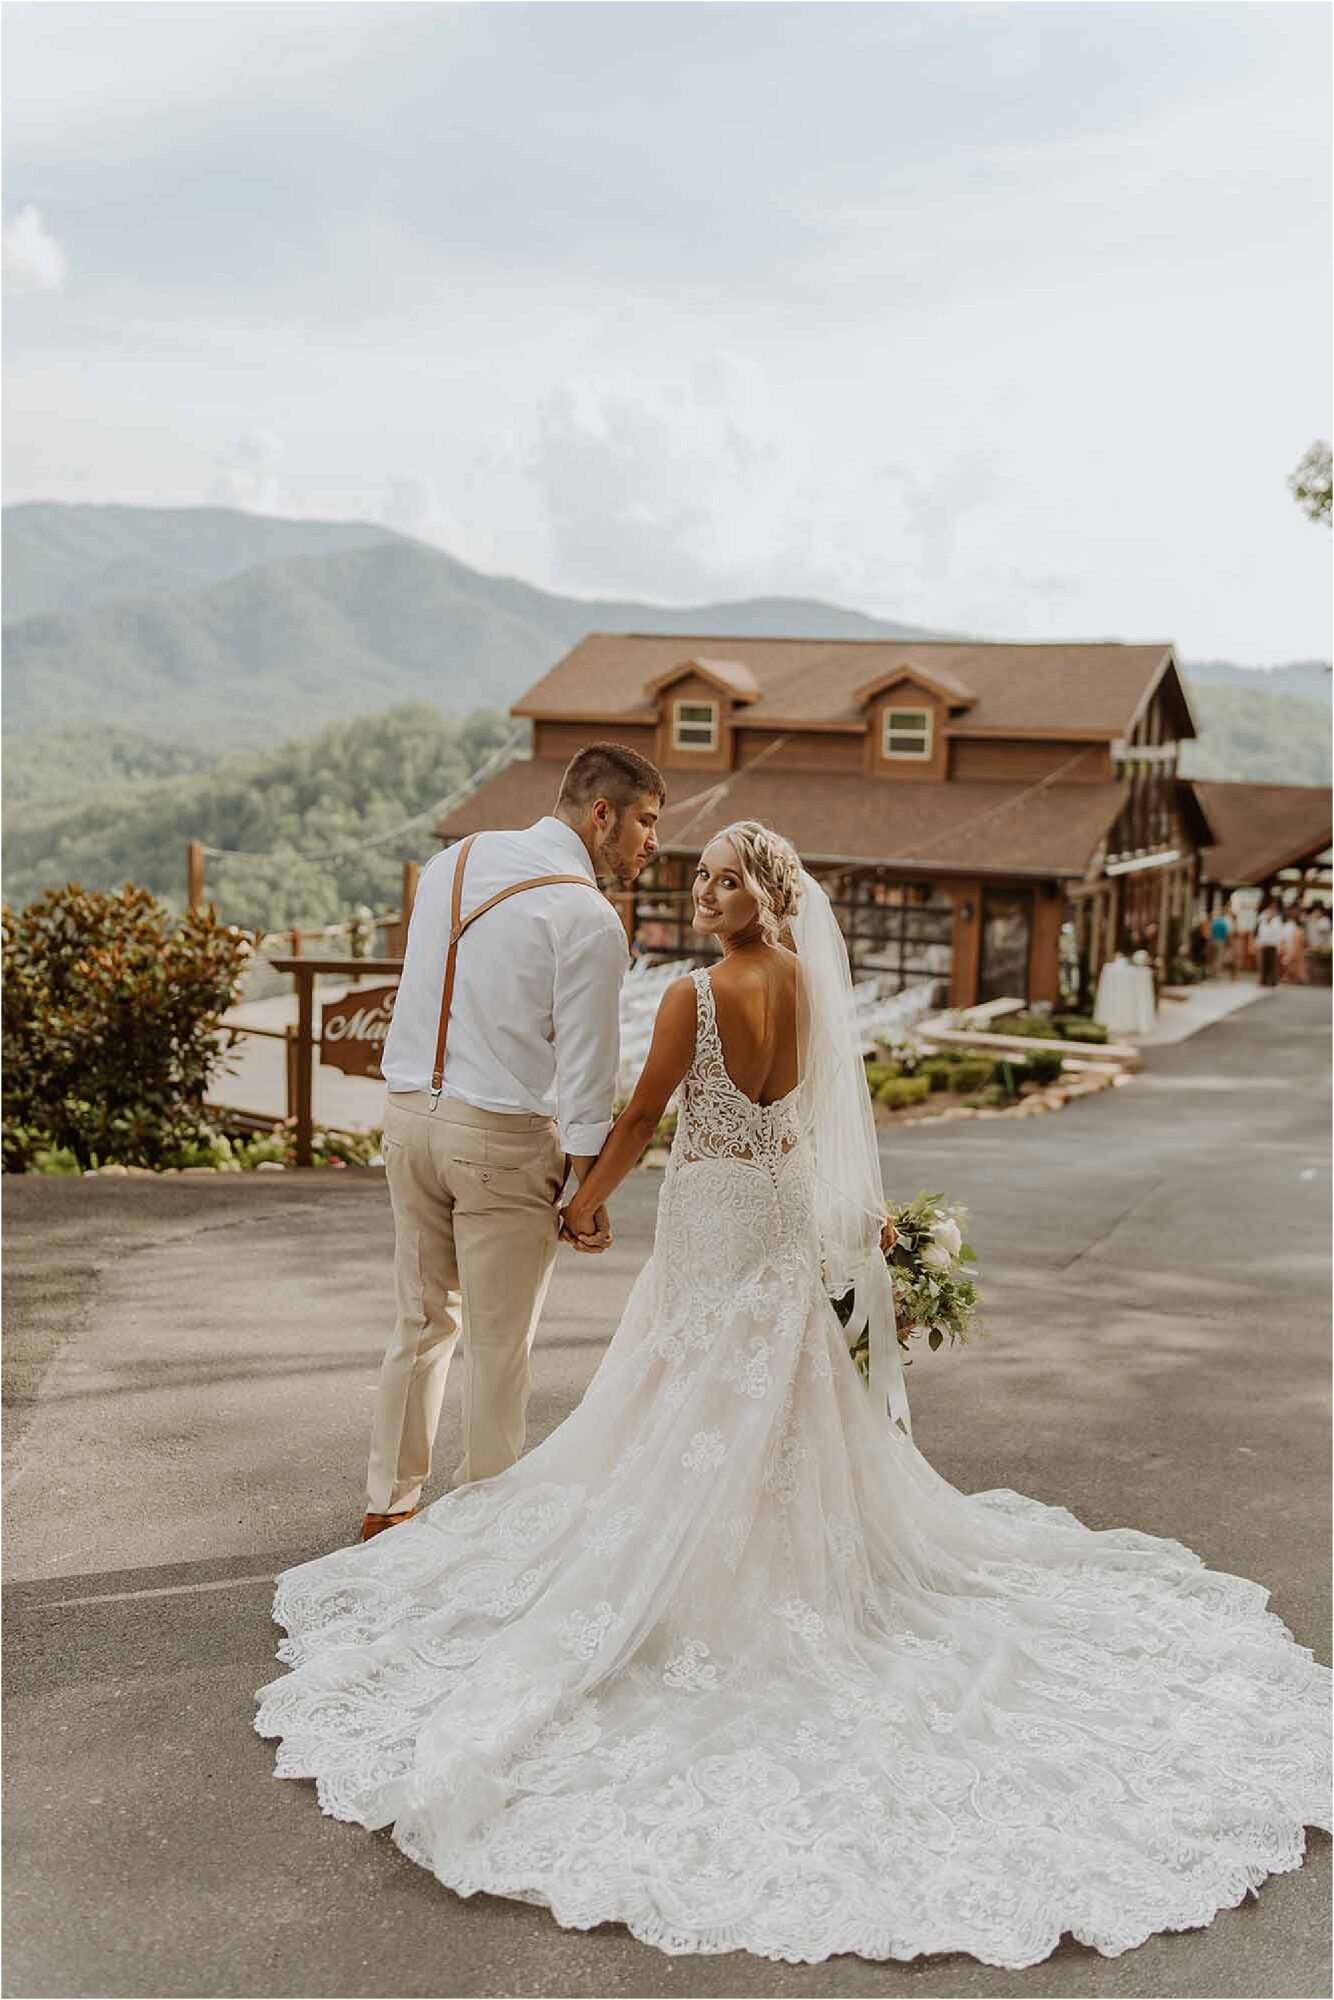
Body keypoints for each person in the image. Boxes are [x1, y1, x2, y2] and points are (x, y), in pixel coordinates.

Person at [257, 821, 1329, 1970]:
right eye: (699, 877)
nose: (703, 891)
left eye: (723, 878)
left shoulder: (692, 996)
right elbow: (815, 1130)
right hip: (771, 1211)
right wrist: (850, 1231)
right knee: (768, 1391)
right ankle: (771, 1556)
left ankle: (691, 1576)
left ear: (763, 891)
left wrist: (584, 1199)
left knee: (689, 1385)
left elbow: (640, 1120)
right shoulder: (808, 992)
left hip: (714, 1214)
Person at [359, 742, 664, 1542]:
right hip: (498, 1137)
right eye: (645, 822)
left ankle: (387, 1510)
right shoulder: (590, 918)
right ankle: (482, 1532)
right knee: (499, 1349)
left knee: (421, 1327)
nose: (651, 843)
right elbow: (589, 1079)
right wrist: (586, 1198)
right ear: (602, 814)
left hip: (407, 1119)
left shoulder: (453, 861)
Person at [1255, 899, 1285, 988]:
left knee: (1272, 964)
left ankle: (1272, 981)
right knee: (1263, 964)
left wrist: (1279, 945)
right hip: (1263, 944)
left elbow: (1279, 933)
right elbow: (1260, 932)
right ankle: (1263, 980)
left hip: (1273, 945)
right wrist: (1258, 943)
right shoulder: (1263, 919)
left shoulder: (1277, 921)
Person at [1280, 903, 1307, 984]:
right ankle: (1290, 976)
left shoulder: (1298, 925)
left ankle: (1294, 977)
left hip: (1296, 947)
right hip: (1290, 947)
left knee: (1296, 963)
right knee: (1290, 962)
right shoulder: (1287, 926)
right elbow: (1283, 940)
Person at [1207, 903, 1233, 976]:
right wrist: (1228, 943)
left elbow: (1210, 933)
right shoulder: (1223, 923)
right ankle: (1217, 972)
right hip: (1221, 941)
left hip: (1213, 941)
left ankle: (1212, 971)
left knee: (1213, 957)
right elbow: (1226, 934)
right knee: (1219, 957)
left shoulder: (1214, 923)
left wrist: (1209, 942)